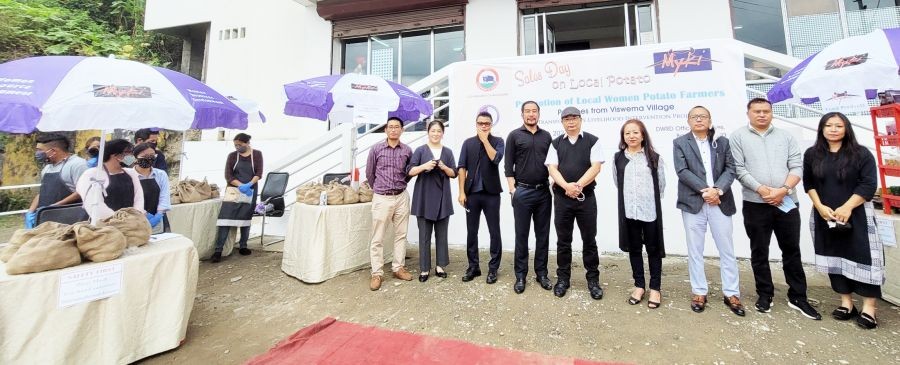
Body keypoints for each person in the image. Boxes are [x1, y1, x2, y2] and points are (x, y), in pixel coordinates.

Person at [731, 97, 821, 320]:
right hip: (755, 204)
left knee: (791, 250)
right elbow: (739, 169)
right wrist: (762, 190)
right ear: (748, 113)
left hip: (787, 202)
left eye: (766, 111)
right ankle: (765, 294)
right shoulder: (738, 136)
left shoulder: (786, 136)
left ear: (772, 113)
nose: (762, 115)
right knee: (759, 251)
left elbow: (796, 166)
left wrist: (783, 189)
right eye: (757, 111)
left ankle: (798, 296)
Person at [803, 112, 882, 329]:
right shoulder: (812, 154)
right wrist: (819, 207)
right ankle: (846, 303)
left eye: (838, 125)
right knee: (834, 258)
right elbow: (808, 183)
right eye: (828, 125)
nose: (833, 129)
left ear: (846, 128)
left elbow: (868, 184)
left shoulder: (861, 154)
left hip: (857, 215)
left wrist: (847, 207)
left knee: (864, 258)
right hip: (825, 215)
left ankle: (869, 308)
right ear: (821, 129)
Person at [673, 106, 745, 316]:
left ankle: (731, 292)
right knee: (695, 250)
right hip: (694, 203)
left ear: (710, 120)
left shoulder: (722, 142)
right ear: (688, 121)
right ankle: (698, 291)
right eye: (694, 117)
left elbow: (730, 169)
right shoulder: (680, 143)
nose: (699, 120)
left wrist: (718, 190)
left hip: (720, 202)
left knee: (727, 250)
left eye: (703, 116)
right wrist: (706, 191)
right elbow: (682, 170)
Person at [545, 106, 604, 299]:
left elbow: (596, 167)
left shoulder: (592, 141)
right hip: (562, 199)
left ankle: (593, 281)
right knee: (563, 241)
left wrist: (577, 186)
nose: (570, 122)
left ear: (581, 119)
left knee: (589, 240)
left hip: (586, 198)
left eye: (574, 118)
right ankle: (563, 279)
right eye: (566, 119)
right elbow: (552, 169)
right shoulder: (555, 143)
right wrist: (566, 187)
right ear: (562, 122)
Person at [613, 119, 665, 308]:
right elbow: (618, 183)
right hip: (629, 211)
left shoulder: (653, 157)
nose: (632, 136)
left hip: (649, 211)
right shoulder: (618, 158)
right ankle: (639, 286)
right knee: (634, 249)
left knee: (653, 249)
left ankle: (655, 288)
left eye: (635, 132)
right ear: (623, 137)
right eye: (627, 133)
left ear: (643, 135)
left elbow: (661, 185)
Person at [505, 101, 553, 294]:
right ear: (522, 114)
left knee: (543, 236)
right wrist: (512, 190)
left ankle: (541, 273)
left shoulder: (547, 136)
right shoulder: (514, 136)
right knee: (521, 236)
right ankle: (520, 275)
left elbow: (553, 164)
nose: (531, 114)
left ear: (539, 114)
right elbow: (508, 166)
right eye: (527, 111)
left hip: (543, 192)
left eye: (534, 111)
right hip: (522, 192)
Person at [365, 117, 414, 290]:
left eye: (397, 127)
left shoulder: (407, 150)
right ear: (385, 130)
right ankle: (377, 273)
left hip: (401, 196)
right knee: (378, 237)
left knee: (401, 234)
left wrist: (400, 186)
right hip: (382, 197)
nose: (393, 130)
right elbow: (370, 174)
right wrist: (379, 189)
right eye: (390, 127)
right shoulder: (376, 149)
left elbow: (409, 173)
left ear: (402, 130)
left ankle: (398, 268)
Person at [458, 112, 505, 284]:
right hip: (472, 194)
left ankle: (493, 269)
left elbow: (496, 159)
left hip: (492, 194)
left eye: (487, 123)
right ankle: (473, 267)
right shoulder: (468, 143)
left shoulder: (498, 141)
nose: (483, 126)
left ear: (491, 125)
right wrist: (462, 192)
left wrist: (485, 140)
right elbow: (461, 168)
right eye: (480, 123)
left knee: (494, 231)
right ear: (476, 124)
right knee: (472, 231)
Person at [408, 120, 457, 282]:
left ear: (443, 133)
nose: (436, 134)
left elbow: (453, 173)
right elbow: (410, 171)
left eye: (439, 131)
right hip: (424, 198)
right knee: (424, 235)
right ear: (427, 132)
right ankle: (424, 269)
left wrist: (443, 167)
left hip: (443, 199)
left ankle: (440, 266)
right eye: (433, 131)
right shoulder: (420, 151)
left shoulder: (448, 152)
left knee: (442, 234)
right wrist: (424, 166)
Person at [211, 133, 262, 263]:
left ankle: (243, 246)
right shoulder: (232, 156)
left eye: (240, 145)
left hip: (250, 190)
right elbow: (228, 175)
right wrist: (241, 185)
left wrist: (249, 184)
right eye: (235, 145)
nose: (237, 147)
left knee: (245, 218)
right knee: (225, 219)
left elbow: (259, 173)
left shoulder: (257, 154)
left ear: (247, 143)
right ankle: (218, 250)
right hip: (233, 190)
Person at [26, 134, 89, 228]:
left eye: (40, 150)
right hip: (46, 218)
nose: (37, 153)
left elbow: (82, 191)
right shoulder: (47, 168)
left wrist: (55, 206)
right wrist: (31, 211)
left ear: (53, 151)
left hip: (69, 219)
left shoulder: (78, 165)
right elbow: (43, 192)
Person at [75, 139, 144, 221]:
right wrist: (116, 220)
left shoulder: (131, 173)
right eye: (128, 152)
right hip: (102, 224)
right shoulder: (92, 174)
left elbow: (139, 198)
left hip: (130, 223)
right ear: (115, 155)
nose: (132, 156)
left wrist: (135, 218)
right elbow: (94, 204)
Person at [132, 143, 171, 234]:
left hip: (158, 217)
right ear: (135, 158)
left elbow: (164, 196)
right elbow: (129, 198)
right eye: (145, 156)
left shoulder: (161, 174)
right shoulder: (129, 175)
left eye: (152, 156)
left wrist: (158, 215)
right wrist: (144, 214)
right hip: (135, 218)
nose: (149, 158)